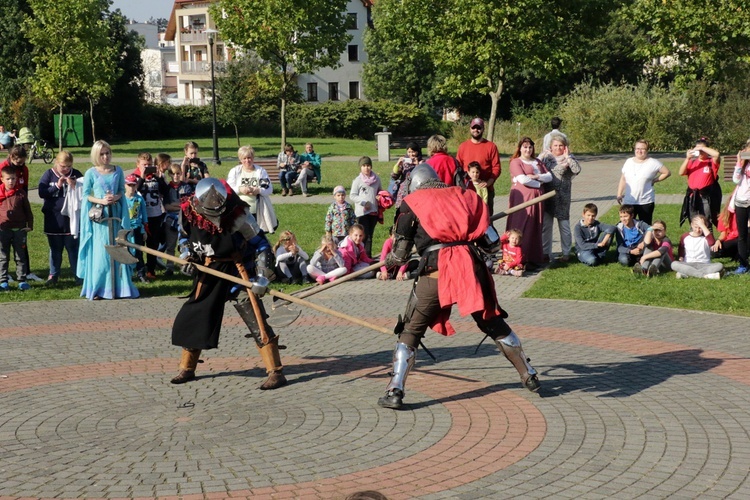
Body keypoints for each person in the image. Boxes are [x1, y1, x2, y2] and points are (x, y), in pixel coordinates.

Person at [377, 164, 539, 410]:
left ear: (414, 185)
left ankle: (395, 390)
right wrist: (466, 231)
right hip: (469, 271)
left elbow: (399, 256)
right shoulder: (467, 196)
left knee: (410, 330)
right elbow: (492, 245)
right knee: (492, 322)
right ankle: (529, 373)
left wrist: (388, 262)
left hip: (436, 273)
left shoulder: (411, 203)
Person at [170, 178, 287, 389]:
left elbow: (262, 245)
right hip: (208, 271)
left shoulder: (239, 215)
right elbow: (184, 238)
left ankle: (275, 372)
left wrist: (261, 277)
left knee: (256, 320)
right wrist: (186, 256)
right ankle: (187, 367)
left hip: (237, 273)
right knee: (196, 316)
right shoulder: (188, 211)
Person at [77, 140, 139, 300]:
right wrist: (100, 201)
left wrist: (116, 197)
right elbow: (85, 195)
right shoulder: (91, 172)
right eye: (102, 154)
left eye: (108, 153)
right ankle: (98, 289)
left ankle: (121, 288)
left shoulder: (118, 170)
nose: (105, 156)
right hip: (100, 220)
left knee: (118, 247)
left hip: (116, 215)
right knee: (101, 253)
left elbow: (120, 190)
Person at [37, 151, 83, 285]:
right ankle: (53, 275)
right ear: (56, 163)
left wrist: (74, 186)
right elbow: (42, 192)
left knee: (73, 248)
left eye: (69, 166)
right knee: (55, 249)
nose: (66, 169)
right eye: (63, 166)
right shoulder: (49, 174)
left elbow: (85, 192)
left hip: (71, 219)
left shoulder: (77, 174)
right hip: (54, 218)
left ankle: (78, 275)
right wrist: (57, 185)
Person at [505, 137, 551, 266]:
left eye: (530, 147)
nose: (528, 149)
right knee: (522, 224)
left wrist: (537, 177)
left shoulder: (537, 161)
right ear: (520, 148)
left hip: (538, 198)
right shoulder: (516, 162)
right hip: (523, 198)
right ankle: (517, 256)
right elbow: (523, 180)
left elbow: (549, 176)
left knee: (536, 225)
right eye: (525, 147)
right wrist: (539, 184)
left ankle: (533, 257)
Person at [539, 134, 581, 262]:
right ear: (550, 147)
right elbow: (537, 168)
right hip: (547, 196)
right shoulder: (546, 159)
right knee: (546, 226)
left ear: (565, 147)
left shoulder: (569, 159)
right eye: (555, 145)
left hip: (562, 197)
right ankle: (546, 252)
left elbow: (577, 169)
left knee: (564, 226)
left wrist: (568, 158)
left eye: (560, 145)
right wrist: (541, 156)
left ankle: (566, 253)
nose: (558, 148)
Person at [616, 140, 671, 224]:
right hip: (629, 201)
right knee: (626, 225)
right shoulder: (628, 162)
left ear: (647, 150)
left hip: (646, 201)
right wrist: (619, 194)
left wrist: (655, 180)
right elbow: (623, 178)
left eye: (642, 149)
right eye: (637, 148)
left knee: (645, 227)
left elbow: (667, 172)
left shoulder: (653, 162)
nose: (639, 151)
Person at [135, 152, 170, 280]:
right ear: (138, 165)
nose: (147, 167)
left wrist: (159, 178)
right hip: (138, 216)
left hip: (155, 214)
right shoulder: (134, 176)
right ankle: (139, 269)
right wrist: (142, 177)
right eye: (144, 165)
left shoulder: (156, 177)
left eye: (149, 165)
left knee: (153, 244)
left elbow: (166, 192)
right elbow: (134, 191)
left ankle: (151, 269)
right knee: (138, 243)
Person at [456, 118, 502, 214]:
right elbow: (458, 167)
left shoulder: (491, 146)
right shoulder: (463, 146)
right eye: (474, 128)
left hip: (485, 190)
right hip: (467, 190)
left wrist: (489, 182)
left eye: (478, 128)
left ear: (483, 129)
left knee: (487, 218)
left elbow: (496, 167)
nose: (476, 130)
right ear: (470, 129)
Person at [226, 145, 276, 232]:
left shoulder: (261, 171)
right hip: (239, 211)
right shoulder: (235, 171)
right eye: (244, 158)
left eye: (249, 158)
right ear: (240, 159)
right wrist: (240, 189)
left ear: (253, 157)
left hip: (258, 210)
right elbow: (228, 189)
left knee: (258, 235)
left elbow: (268, 190)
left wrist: (258, 190)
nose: (247, 161)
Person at [0, 165, 33, 291]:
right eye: (8, 179)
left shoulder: (21, 194)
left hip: (19, 230)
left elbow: (28, 211)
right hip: (3, 230)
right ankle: (3, 280)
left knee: (20, 256)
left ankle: (22, 280)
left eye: (13, 179)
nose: (11, 181)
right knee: (3, 256)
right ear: (2, 179)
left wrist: (29, 225)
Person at [679, 137, 721, 227]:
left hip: (705, 197)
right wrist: (687, 158)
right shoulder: (692, 162)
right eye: (697, 149)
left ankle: (708, 239)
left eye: (702, 150)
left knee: (707, 221)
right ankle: (695, 239)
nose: (700, 152)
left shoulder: (711, 162)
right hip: (692, 196)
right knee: (693, 222)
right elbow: (681, 172)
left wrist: (701, 147)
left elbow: (717, 154)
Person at [671, 214, 723, 279]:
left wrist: (702, 225)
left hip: (704, 264)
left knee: (719, 265)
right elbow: (681, 248)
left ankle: (686, 274)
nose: (698, 230)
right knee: (674, 264)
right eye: (696, 227)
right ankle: (705, 276)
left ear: (705, 226)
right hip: (688, 263)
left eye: (700, 227)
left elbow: (712, 242)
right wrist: (681, 256)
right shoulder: (685, 236)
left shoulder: (707, 237)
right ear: (691, 225)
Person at [162, 164, 192, 276]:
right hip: (171, 219)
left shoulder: (186, 187)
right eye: (173, 174)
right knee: (170, 244)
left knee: (184, 244)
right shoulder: (167, 188)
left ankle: (185, 266)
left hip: (183, 219)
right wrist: (180, 205)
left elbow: (188, 204)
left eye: (178, 173)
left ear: (181, 173)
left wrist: (176, 205)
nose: (176, 176)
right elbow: (167, 206)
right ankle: (169, 267)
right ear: (169, 174)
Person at [350, 156, 382, 257]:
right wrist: (363, 202)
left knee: (370, 235)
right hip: (362, 213)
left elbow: (380, 191)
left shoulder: (376, 179)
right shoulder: (358, 180)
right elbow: (352, 195)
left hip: (373, 211)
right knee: (363, 235)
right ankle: (362, 256)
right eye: (364, 166)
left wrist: (380, 196)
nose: (366, 168)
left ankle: (367, 256)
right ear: (360, 167)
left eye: (368, 165)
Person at [124, 174, 149, 282]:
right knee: (126, 252)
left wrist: (144, 230)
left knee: (139, 252)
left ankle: (141, 273)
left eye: (133, 185)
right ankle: (127, 274)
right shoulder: (122, 199)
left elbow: (144, 215)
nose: (131, 188)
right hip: (125, 229)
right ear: (125, 185)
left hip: (137, 228)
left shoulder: (139, 199)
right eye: (129, 185)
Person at [731, 141, 750, 274]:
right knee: (742, 235)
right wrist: (739, 162)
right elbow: (736, 180)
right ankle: (743, 264)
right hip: (741, 202)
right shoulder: (743, 164)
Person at [390, 142, 423, 216]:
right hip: (403, 192)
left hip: (416, 190)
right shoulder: (404, 162)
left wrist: (417, 164)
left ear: (418, 151)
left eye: (413, 152)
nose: (411, 154)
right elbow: (394, 176)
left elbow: (422, 176)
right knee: (401, 212)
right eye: (409, 152)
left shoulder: (422, 162)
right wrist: (398, 164)